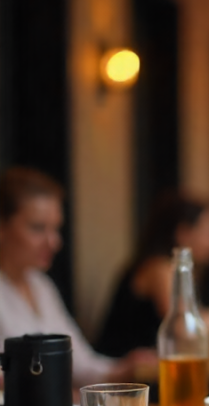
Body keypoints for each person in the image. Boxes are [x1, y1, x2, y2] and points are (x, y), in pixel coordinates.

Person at [0, 167, 148, 389]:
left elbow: (80, 363)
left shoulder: (41, 285)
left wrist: (126, 366)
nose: (54, 242)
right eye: (38, 228)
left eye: (56, 229)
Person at [96, 195, 209, 357]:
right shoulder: (158, 267)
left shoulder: (180, 270)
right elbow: (182, 325)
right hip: (128, 373)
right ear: (183, 233)